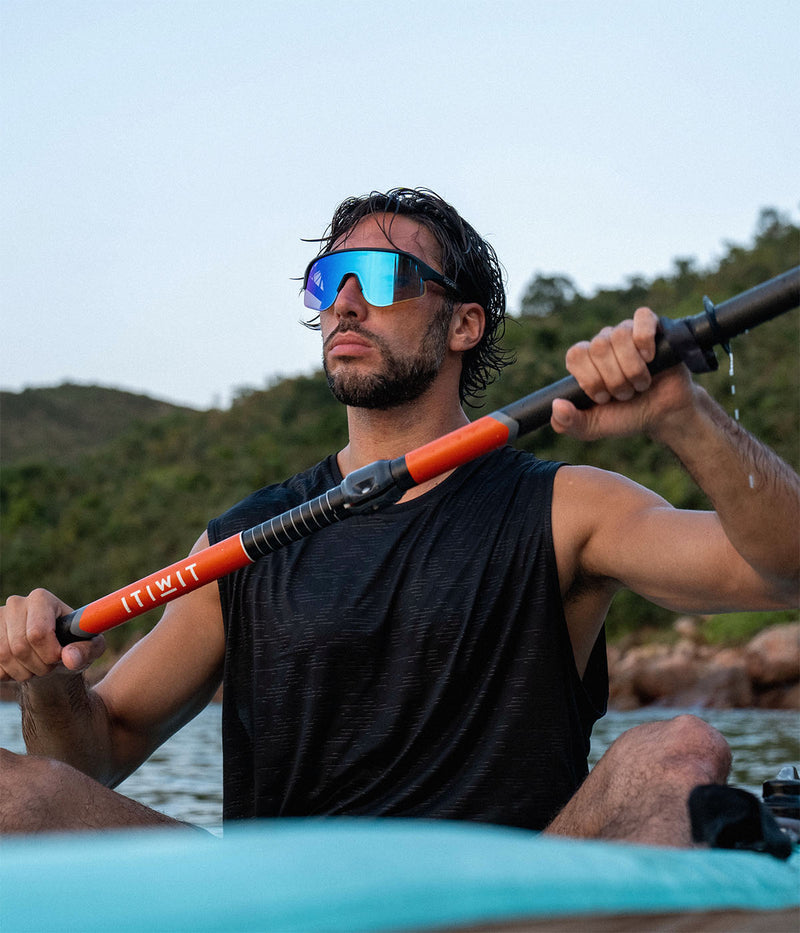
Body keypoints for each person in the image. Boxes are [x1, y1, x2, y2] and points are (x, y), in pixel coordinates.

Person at [1, 188, 797, 842]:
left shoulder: (567, 508)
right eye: (329, 282)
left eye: (381, 278)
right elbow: (92, 758)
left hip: (511, 904)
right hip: (278, 909)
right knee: (12, 790)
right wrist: (47, 681)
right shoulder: (239, 542)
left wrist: (682, 415)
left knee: (679, 750)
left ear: (463, 323)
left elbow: (784, 570)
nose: (345, 303)